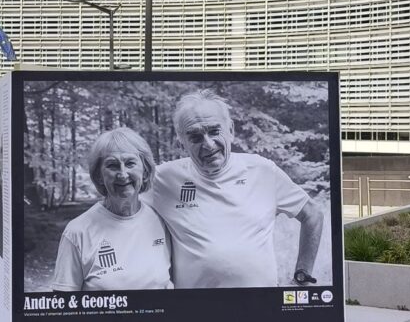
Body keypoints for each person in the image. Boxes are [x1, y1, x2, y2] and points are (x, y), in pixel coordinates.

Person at [145, 89, 324, 289]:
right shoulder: (163, 179)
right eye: (195, 137)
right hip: (196, 304)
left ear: (230, 130)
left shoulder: (262, 170)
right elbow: (120, 204)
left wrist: (302, 278)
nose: (208, 144)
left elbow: (312, 215)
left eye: (214, 131)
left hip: (261, 302)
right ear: (182, 143)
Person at [52, 127, 172, 291]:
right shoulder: (77, 232)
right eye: (112, 165)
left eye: (130, 163)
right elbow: (63, 302)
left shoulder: (162, 221)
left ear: (145, 171)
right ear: (99, 176)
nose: (123, 174)